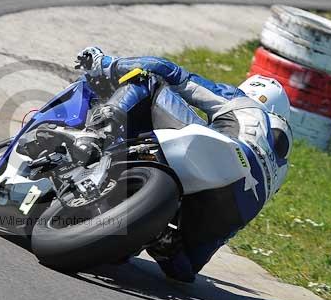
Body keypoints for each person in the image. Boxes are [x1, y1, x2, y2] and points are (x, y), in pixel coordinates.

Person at [74, 46, 293, 283]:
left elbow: (171, 72)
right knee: (186, 266)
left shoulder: (244, 104)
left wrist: (106, 63)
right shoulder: (281, 169)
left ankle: (98, 132)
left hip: (225, 158)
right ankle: (162, 241)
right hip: (236, 210)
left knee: (148, 80)